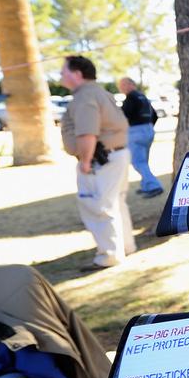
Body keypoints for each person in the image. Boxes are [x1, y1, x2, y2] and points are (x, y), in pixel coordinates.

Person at [59, 55, 136, 269]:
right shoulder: (100, 92)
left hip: (100, 159)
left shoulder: (85, 97)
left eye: (63, 71)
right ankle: (125, 247)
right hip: (114, 155)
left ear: (76, 74)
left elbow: (87, 133)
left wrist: (84, 161)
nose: (60, 76)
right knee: (115, 204)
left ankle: (109, 256)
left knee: (98, 206)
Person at [117, 76, 164, 197]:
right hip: (148, 130)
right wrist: (148, 127)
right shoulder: (143, 97)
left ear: (131, 85)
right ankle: (146, 186)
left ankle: (154, 186)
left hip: (136, 131)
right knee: (143, 161)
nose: (121, 88)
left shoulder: (131, 97)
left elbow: (123, 116)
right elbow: (155, 115)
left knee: (137, 162)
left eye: (123, 85)